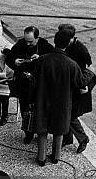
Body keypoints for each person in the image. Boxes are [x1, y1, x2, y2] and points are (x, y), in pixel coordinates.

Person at [33, 30, 84, 165]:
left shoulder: (42, 60)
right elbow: (80, 82)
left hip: (42, 99)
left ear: (54, 41)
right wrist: (90, 74)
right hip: (62, 102)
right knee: (59, 130)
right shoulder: (72, 64)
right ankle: (55, 157)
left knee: (42, 130)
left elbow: (34, 79)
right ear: (68, 43)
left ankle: (41, 158)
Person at [6, 26, 54, 143]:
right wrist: (14, 62)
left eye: (30, 42)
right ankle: (28, 133)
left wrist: (41, 58)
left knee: (39, 110)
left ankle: (40, 132)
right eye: (26, 41)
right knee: (25, 110)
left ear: (37, 38)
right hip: (23, 84)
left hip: (39, 86)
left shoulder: (45, 46)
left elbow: (53, 61)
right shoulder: (20, 44)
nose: (27, 44)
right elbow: (9, 57)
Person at [59, 24, 93, 153]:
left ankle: (83, 138)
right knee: (66, 113)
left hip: (78, 87)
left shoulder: (82, 50)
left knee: (71, 115)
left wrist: (87, 87)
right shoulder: (66, 46)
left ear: (72, 38)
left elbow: (91, 71)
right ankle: (68, 138)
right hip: (67, 85)